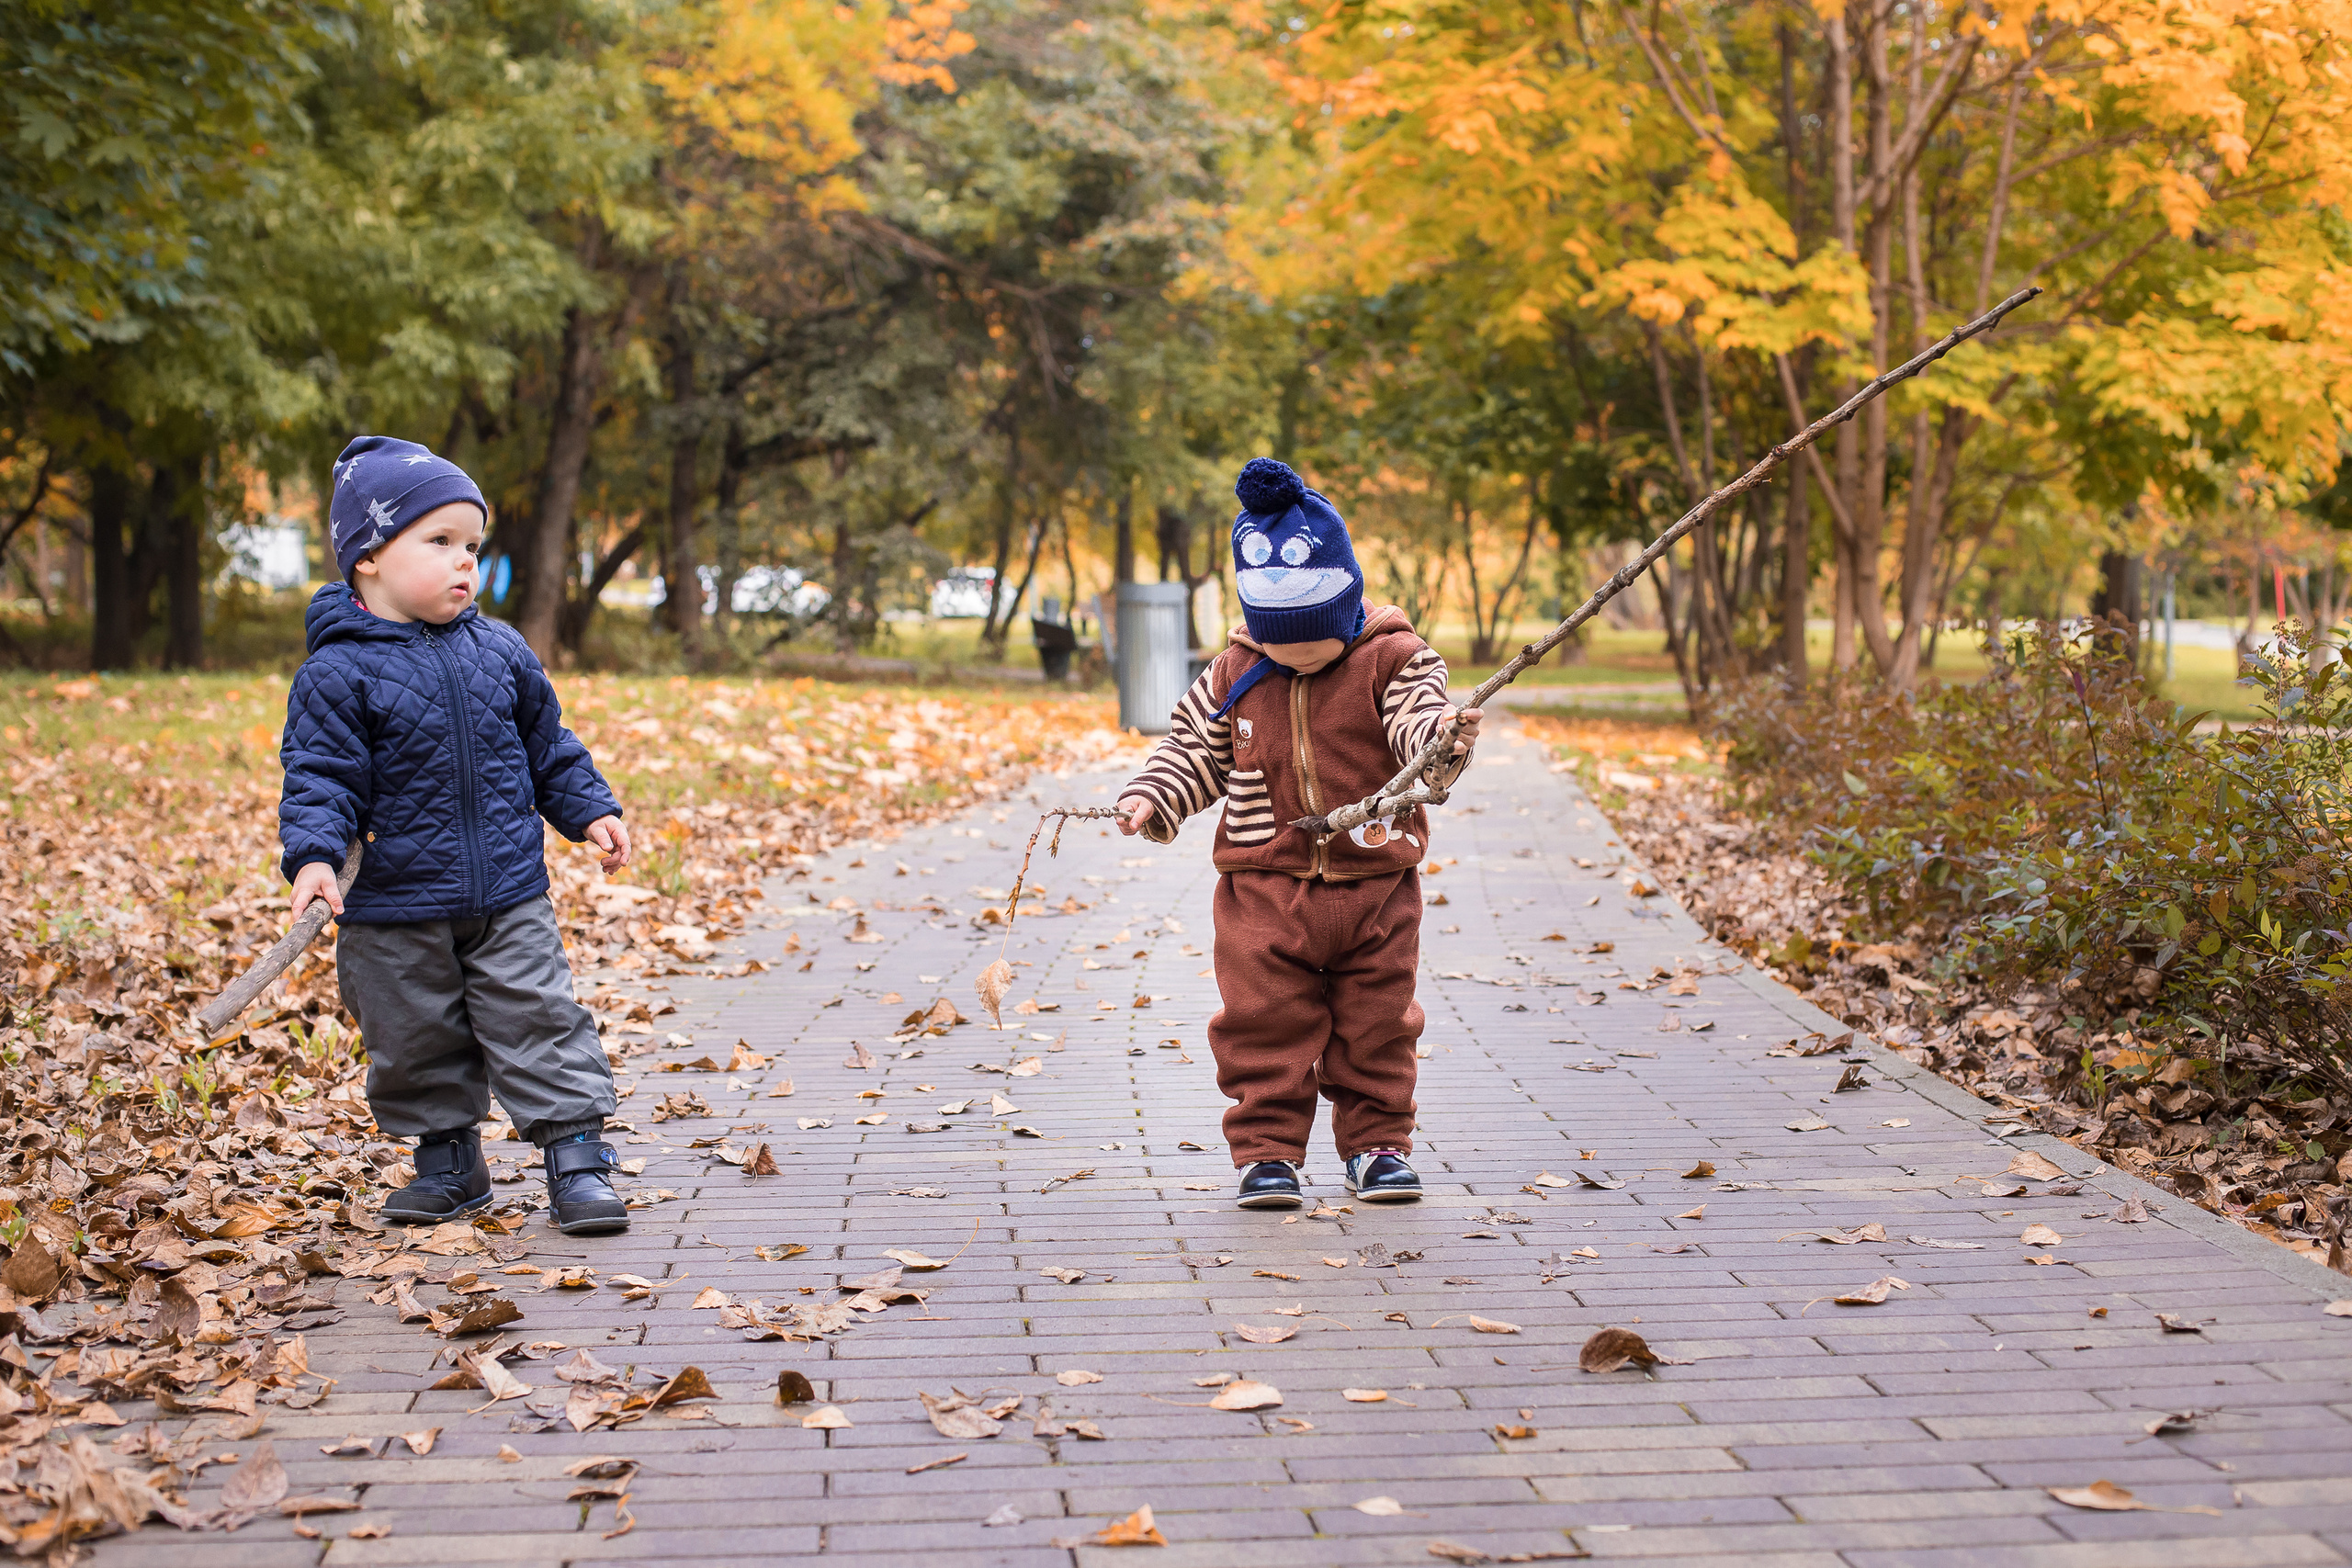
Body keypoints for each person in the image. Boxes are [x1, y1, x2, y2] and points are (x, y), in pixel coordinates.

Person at [279, 434, 634, 1235]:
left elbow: (549, 744)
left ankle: (577, 1159)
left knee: (540, 1014)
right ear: (368, 557)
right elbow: (320, 779)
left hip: (507, 892)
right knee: (412, 1035)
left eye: (472, 544)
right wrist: (313, 859)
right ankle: (449, 1163)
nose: (464, 562)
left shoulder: (500, 649)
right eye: (438, 542)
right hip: (395, 905)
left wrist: (588, 809)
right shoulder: (338, 674)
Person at [1116, 457, 1480, 1209]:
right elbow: (1193, 748)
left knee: (1379, 1022)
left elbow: (1417, 727)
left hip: (1375, 886)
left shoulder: (1394, 659)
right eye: (1279, 646)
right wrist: (1154, 797)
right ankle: (1267, 1155)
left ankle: (1378, 1145)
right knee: (1261, 1022)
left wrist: (1441, 739)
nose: (1293, 660)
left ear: (1346, 608)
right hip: (1262, 886)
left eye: (1312, 645)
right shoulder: (1236, 670)